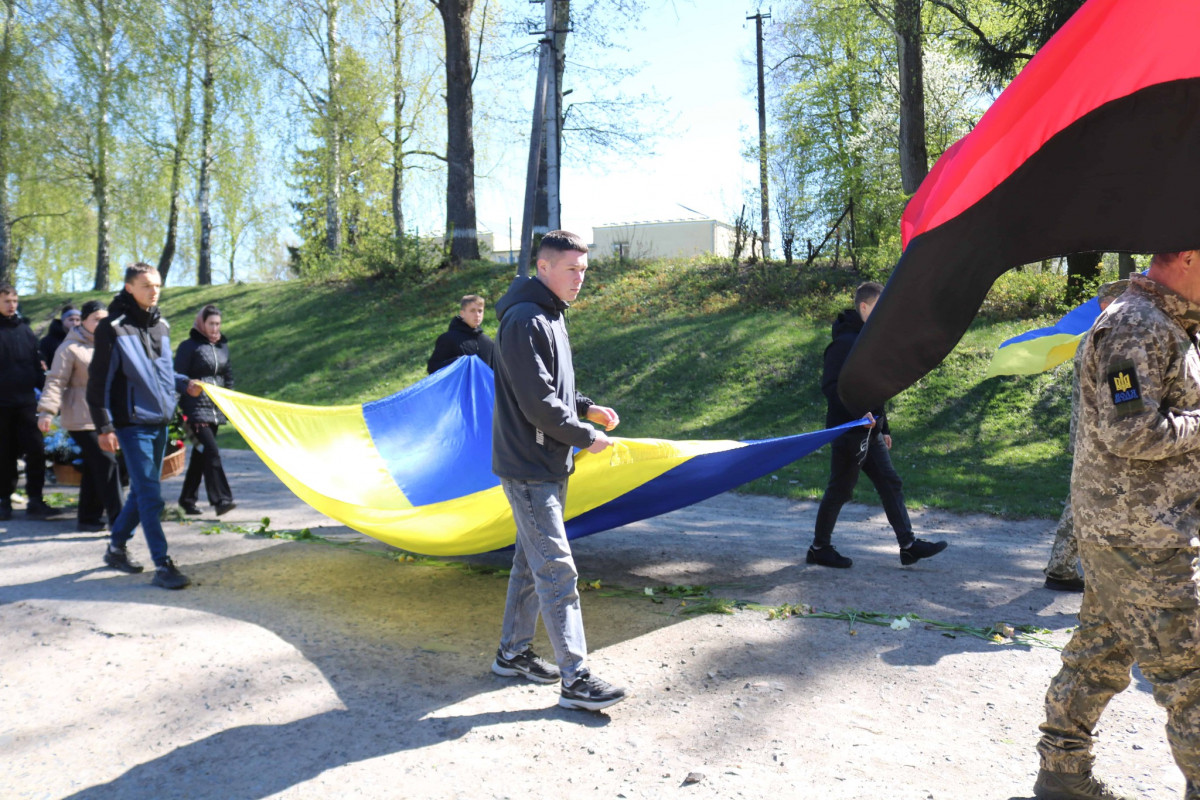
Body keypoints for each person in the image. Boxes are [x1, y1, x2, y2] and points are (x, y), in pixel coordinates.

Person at [1033, 253, 1200, 800]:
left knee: (1099, 652)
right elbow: (1131, 433)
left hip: (1133, 531)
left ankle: (1061, 776)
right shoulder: (1135, 324)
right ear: (1189, 256)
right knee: (1191, 675)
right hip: (1144, 537)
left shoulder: (1169, 323)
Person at [489, 230, 627, 712]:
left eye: (584, 270)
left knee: (532, 564)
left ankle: (513, 654)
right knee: (556, 570)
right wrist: (587, 436)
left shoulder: (547, 314)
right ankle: (576, 678)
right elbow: (538, 403)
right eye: (571, 269)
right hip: (529, 465)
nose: (579, 279)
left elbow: (555, 389)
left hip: (545, 460)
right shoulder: (526, 319)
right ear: (543, 268)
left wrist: (587, 408)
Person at [806, 281, 947, 569]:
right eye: (879, 308)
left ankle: (908, 546)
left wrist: (884, 427)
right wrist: (858, 413)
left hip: (870, 431)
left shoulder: (869, 342)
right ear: (864, 307)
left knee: (890, 482)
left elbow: (875, 388)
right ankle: (819, 548)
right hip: (848, 431)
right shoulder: (843, 344)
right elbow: (831, 387)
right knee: (841, 489)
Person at [87, 263, 201, 590]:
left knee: (141, 493)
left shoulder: (161, 325)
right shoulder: (112, 327)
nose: (154, 291)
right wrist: (104, 427)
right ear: (129, 288)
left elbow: (163, 372)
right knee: (151, 496)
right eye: (147, 285)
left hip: (161, 420)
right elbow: (98, 384)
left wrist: (184, 383)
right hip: (131, 423)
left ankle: (115, 548)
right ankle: (162, 565)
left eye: (158, 285)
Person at [1043, 279, 1129, 593]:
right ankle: (1065, 567)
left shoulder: (1095, 335)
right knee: (1089, 503)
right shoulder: (1114, 340)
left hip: (1089, 436)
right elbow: (1125, 397)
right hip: (1104, 440)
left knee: (1084, 500)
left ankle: (1064, 567)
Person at [37, 300, 122, 532]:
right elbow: (55, 381)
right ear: (83, 320)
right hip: (79, 417)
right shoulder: (69, 348)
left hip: (104, 416)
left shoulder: (110, 345)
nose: (102, 324)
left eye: (105, 320)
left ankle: (88, 519)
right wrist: (46, 411)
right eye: (96, 319)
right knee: (107, 461)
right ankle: (120, 520)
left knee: (97, 466)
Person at [0, 283, 58, 520]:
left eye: (14, 300)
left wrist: (47, 392)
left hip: (26, 402)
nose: (12, 305)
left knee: (36, 451)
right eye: (6, 301)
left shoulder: (25, 330)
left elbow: (36, 364)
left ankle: (36, 499)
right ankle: (4, 501)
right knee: (4, 454)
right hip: (1, 405)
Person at [174, 303, 236, 516]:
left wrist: (230, 404)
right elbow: (178, 378)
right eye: (211, 323)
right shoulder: (188, 347)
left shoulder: (222, 347)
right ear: (202, 323)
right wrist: (189, 410)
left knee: (201, 456)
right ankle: (221, 500)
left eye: (218, 324)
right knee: (211, 452)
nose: (215, 328)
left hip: (216, 410)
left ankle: (187, 499)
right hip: (195, 410)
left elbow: (227, 378)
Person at [426, 294, 495, 373]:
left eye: (480, 311)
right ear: (462, 313)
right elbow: (432, 368)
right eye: (472, 311)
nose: (477, 315)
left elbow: (496, 373)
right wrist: (457, 362)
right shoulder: (448, 339)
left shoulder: (488, 342)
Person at [38, 305, 80, 371]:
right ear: (63, 320)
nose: (74, 323)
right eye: (71, 320)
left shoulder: (84, 339)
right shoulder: (48, 341)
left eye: (77, 320)